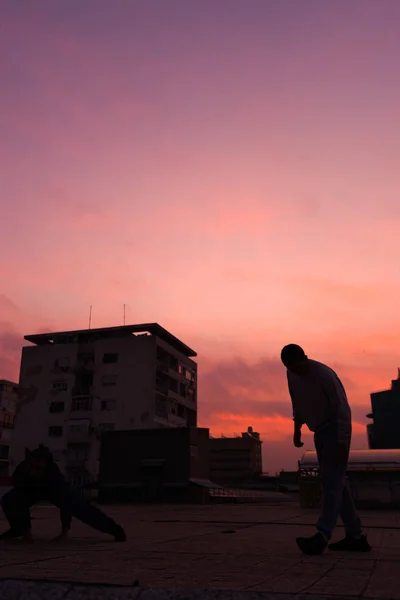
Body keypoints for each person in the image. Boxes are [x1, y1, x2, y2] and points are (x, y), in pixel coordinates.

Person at [281, 344, 371, 555]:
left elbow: (342, 410)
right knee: (337, 485)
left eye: (299, 367)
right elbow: (297, 402)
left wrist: (341, 441)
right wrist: (297, 428)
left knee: (331, 485)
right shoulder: (291, 375)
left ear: (306, 357)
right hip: (319, 431)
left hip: (334, 430)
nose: (297, 372)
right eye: (292, 369)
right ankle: (356, 536)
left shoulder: (325, 375)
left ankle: (322, 535)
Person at [0, 445, 126, 542]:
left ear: (46, 467)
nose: (33, 472)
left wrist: (64, 533)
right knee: (9, 500)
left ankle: (114, 529)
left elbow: (68, 504)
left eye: (39, 468)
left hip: (51, 489)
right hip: (30, 491)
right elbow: (19, 502)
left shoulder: (54, 476)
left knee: (80, 506)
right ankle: (18, 529)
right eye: (31, 467)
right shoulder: (21, 472)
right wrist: (26, 534)